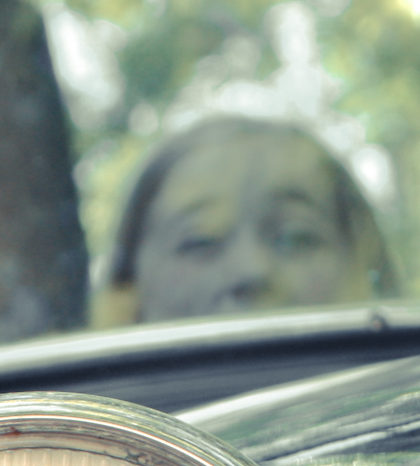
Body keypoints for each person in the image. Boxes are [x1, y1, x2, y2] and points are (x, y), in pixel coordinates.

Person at [97, 116, 392, 325]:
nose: (251, 270)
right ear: (127, 292)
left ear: (362, 266)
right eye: (200, 242)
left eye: (294, 238)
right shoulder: (81, 412)